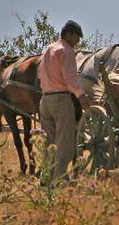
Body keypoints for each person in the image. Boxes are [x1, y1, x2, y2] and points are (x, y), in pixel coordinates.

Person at [38, 20, 91, 183]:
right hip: (61, 100)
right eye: (77, 37)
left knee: (49, 142)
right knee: (65, 143)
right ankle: (59, 179)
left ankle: (46, 177)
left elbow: (40, 73)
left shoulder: (49, 49)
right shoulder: (66, 52)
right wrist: (81, 96)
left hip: (45, 99)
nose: (78, 41)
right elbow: (71, 80)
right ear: (68, 34)